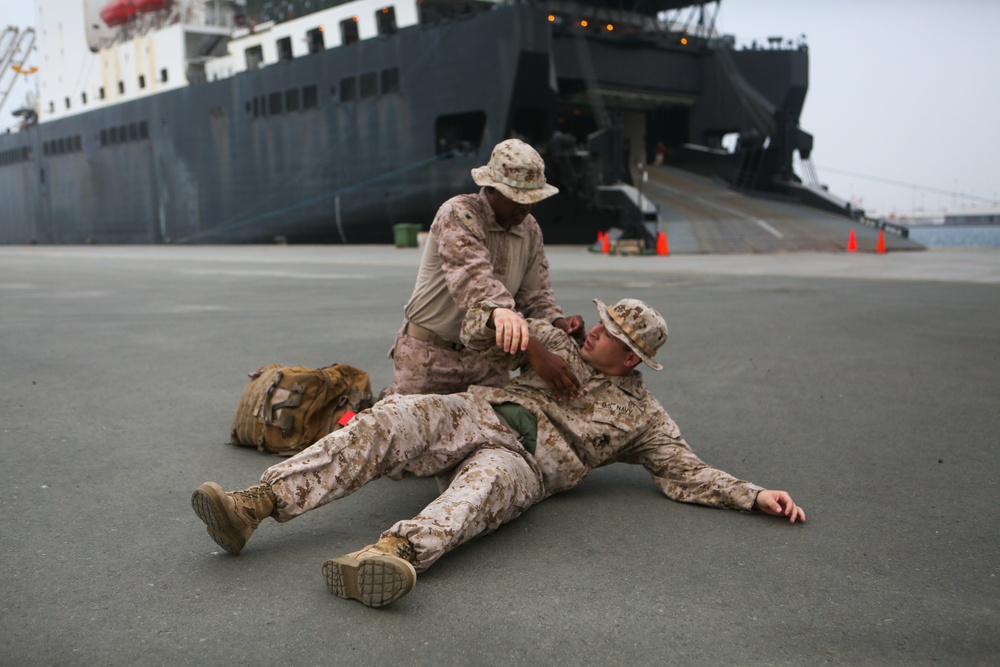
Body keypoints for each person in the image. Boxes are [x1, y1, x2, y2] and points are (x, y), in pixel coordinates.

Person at [193, 296, 806, 607]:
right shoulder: (555, 341)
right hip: (474, 411)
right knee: (390, 420)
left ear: (631, 360)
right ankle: (255, 504)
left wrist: (754, 495)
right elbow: (477, 331)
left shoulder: (642, 418)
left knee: (479, 495)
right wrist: (522, 327)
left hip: (525, 463)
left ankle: (389, 556)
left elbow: (687, 472)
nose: (596, 330)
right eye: (600, 321)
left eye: (610, 335)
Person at [384, 138, 584, 398]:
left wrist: (558, 321)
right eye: (516, 197)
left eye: (532, 199)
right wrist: (534, 350)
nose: (525, 207)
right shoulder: (458, 213)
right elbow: (475, 284)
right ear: (491, 188)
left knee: (493, 436)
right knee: (406, 434)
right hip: (430, 357)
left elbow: (535, 296)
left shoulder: (530, 229)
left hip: (487, 361)